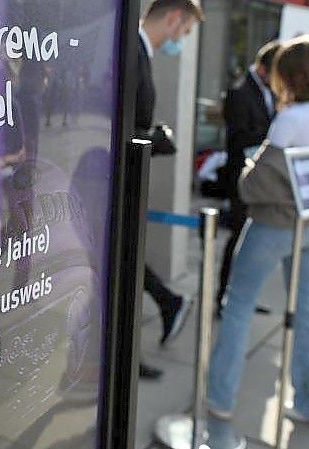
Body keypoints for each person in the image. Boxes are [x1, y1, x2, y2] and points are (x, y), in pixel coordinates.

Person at [207, 36, 309, 437]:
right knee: (308, 309)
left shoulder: (291, 120)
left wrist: (250, 167)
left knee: (238, 305)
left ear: (290, 76)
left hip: (273, 225)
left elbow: (251, 186)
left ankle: (220, 401)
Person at [135, 0, 204, 378]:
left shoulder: (141, 52)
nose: (183, 39)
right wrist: (151, 138)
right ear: (175, 18)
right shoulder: (132, 51)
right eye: (186, 31)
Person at [218, 41, 280, 316]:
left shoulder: (271, 92)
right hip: (242, 178)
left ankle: (245, 296)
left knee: (253, 241)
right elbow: (238, 138)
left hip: (262, 178)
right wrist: (273, 139)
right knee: (237, 237)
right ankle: (222, 297)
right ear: (264, 68)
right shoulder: (240, 92)